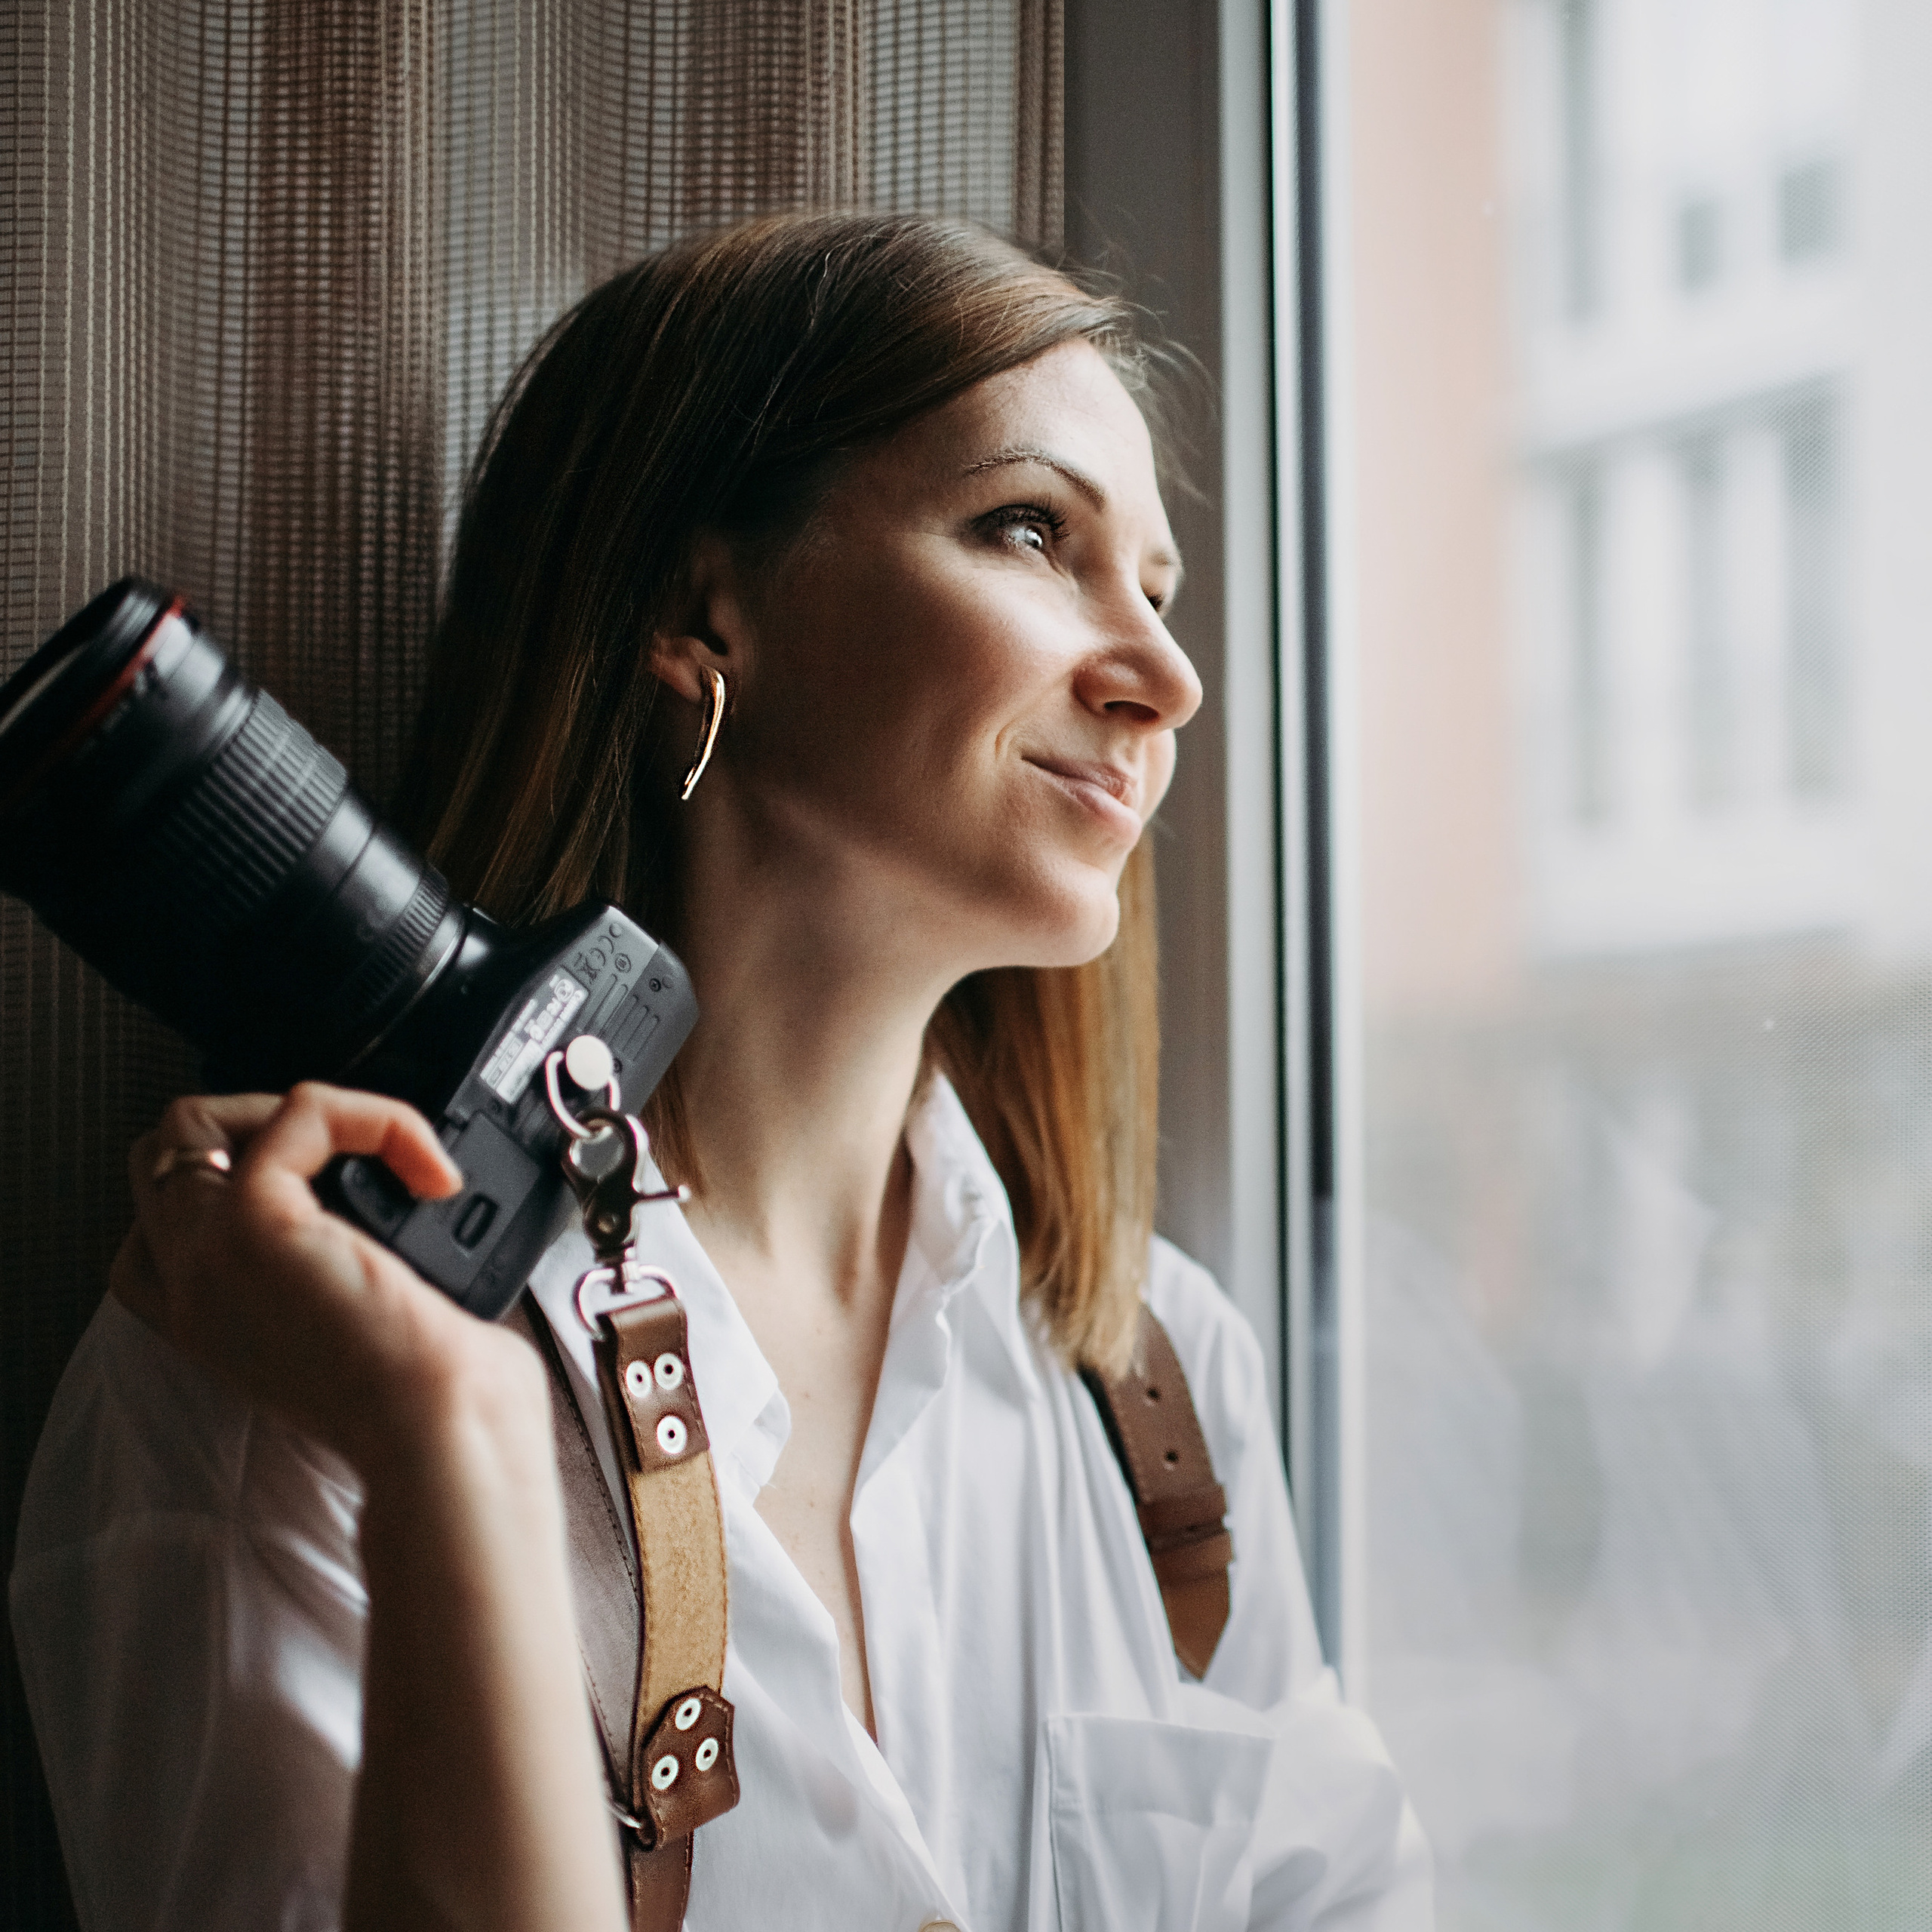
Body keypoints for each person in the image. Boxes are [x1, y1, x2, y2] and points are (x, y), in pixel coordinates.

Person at [11, 213, 1432, 1931]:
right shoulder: (275, 1389)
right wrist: (452, 1439)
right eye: (1030, 530)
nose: (1167, 677)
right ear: (703, 614)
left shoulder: (1160, 1380)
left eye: (1156, 587)